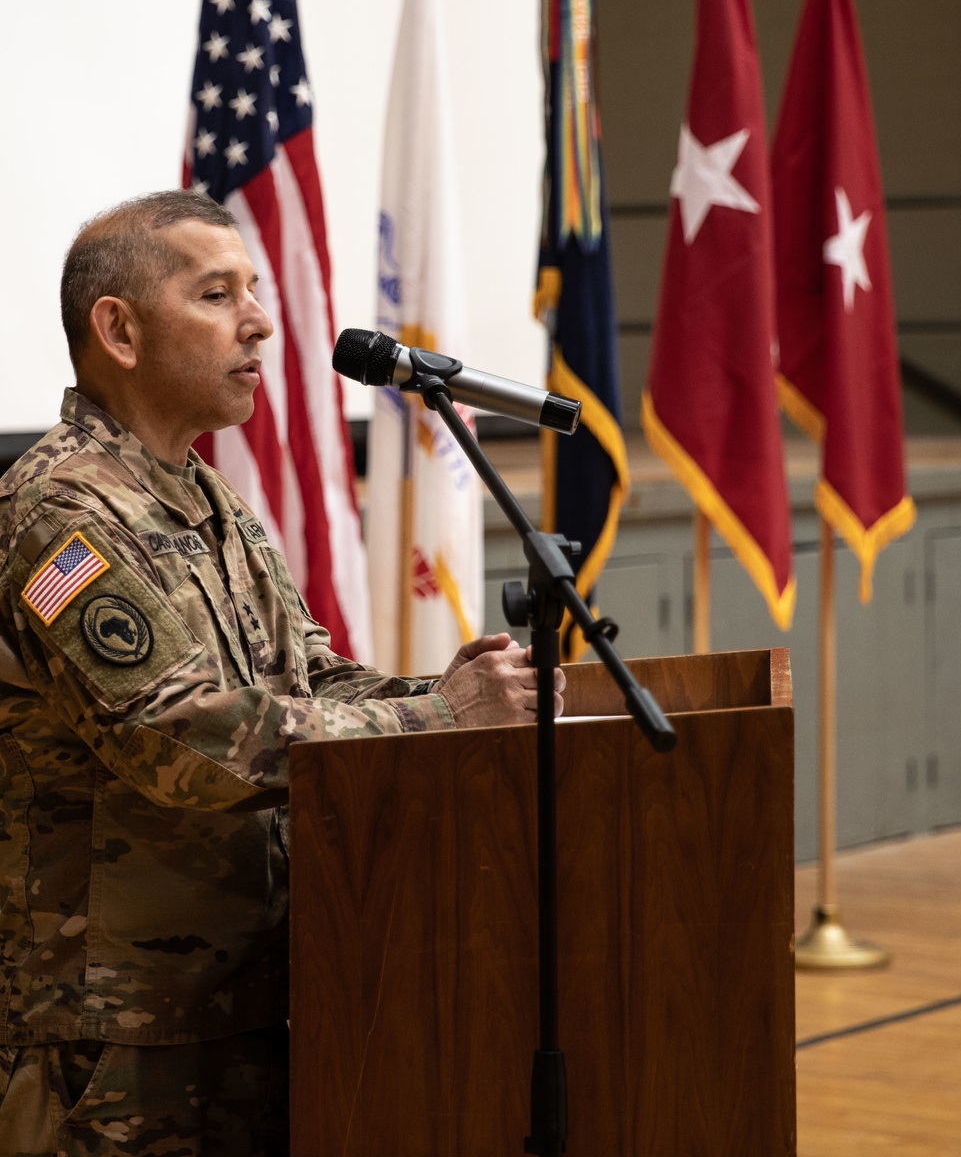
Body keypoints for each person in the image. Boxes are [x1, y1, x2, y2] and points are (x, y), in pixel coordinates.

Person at [0, 190, 565, 1156]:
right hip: (114, 1036)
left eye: (253, 291)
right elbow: (177, 743)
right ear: (119, 330)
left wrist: (453, 695)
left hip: (250, 995)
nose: (261, 319)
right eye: (218, 294)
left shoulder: (208, 497)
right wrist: (440, 722)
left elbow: (307, 678)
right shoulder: (60, 513)